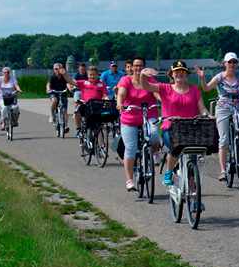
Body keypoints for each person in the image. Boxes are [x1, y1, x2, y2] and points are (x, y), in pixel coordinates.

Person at [139, 60, 208, 186]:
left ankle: (193, 192)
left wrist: (207, 115)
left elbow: (202, 108)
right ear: (172, 74)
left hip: (190, 128)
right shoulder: (165, 88)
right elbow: (146, 86)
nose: (179, 74)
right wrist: (143, 75)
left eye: (182, 72)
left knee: (193, 156)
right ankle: (169, 172)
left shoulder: (194, 90)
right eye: (176, 72)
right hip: (170, 128)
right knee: (176, 147)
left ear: (186, 74)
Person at [197, 52, 239, 182]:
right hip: (223, 107)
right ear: (224, 64)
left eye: (234, 62)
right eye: (230, 62)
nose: (232, 64)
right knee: (224, 139)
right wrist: (202, 78)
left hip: (237, 105)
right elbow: (206, 88)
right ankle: (222, 170)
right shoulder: (219, 77)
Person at [116, 57, 161, 191]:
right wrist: (120, 103)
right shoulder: (126, 80)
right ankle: (129, 180)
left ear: (144, 67)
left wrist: (163, 100)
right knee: (130, 148)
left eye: (140, 65)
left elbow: (157, 93)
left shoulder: (150, 80)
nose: (138, 68)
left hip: (149, 115)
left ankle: (153, 153)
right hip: (130, 117)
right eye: (135, 65)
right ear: (132, 67)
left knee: (154, 135)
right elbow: (121, 93)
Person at [71, 66, 109, 133]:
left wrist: (107, 99)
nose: (92, 76)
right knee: (77, 112)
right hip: (86, 105)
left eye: (94, 74)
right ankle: (78, 129)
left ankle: (100, 133)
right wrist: (64, 74)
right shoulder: (84, 83)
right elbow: (71, 81)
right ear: (88, 75)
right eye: (90, 75)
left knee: (107, 113)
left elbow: (105, 95)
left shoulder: (101, 84)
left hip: (97, 105)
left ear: (97, 75)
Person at [46, 63, 73, 132]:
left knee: (64, 110)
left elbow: (68, 83)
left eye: (59, 68)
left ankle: (66, 125)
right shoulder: (52, 77)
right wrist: (48, 89)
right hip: (54, 93)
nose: (58, 70)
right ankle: (52, 115)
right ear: (54, 70)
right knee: (54, 100)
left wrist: (70, 88)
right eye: (56, 69)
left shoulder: (64, 76)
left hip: (63, 93)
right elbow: (48, 84)